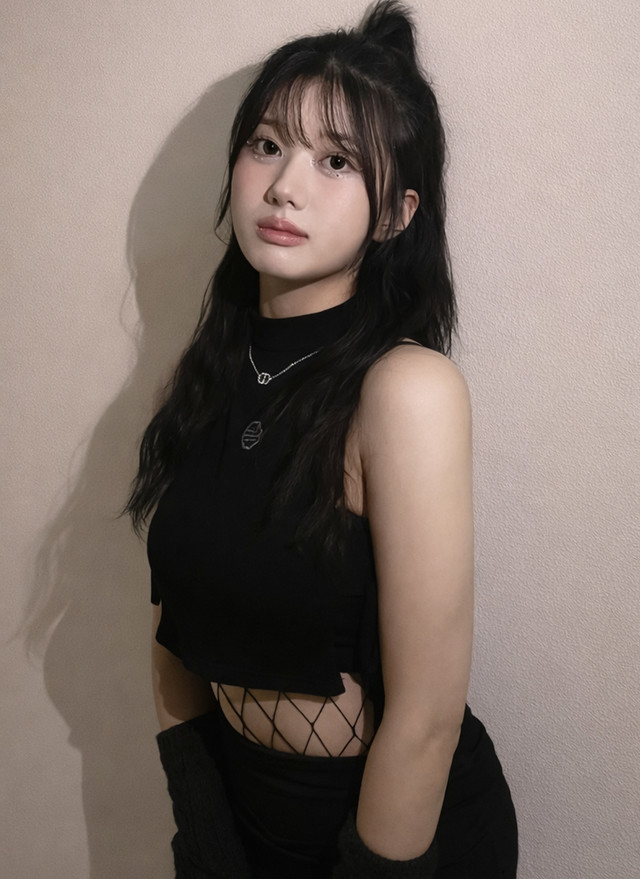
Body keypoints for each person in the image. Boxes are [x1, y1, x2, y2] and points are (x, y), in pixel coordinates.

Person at [126, 2, 518, 876]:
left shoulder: (406, 389)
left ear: (395, 214)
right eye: (267, 145)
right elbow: (175, 626)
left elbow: (426, 717)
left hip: (394, 839)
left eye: (336, 161)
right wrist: (204, 835)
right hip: (242, 815)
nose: (284, 186)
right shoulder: (200, 375)